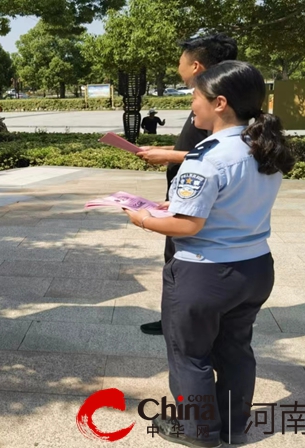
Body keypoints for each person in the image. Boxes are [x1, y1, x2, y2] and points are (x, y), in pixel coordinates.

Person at [124, 60, 295, 447]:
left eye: (195, 97)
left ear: (219, 103)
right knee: (235, 349)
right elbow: (225, 203)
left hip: (205, 274)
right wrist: (171, 209)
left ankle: (198, 430)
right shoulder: (263, 147)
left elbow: (188, 226)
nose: (191, 104)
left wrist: (142, 218)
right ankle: (233, 427)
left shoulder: (206, 157)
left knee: (190, 355)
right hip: (254, 268)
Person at [136, 34, 238, 336]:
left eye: (180, 61)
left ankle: (181, 321)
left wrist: (142, 217)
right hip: (187, 196)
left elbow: (220, 152)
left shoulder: (217, 103)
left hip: (196, 200)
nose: (194, 107)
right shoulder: (220, 97)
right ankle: (177, 317)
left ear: (195, 65)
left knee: (181, 258)